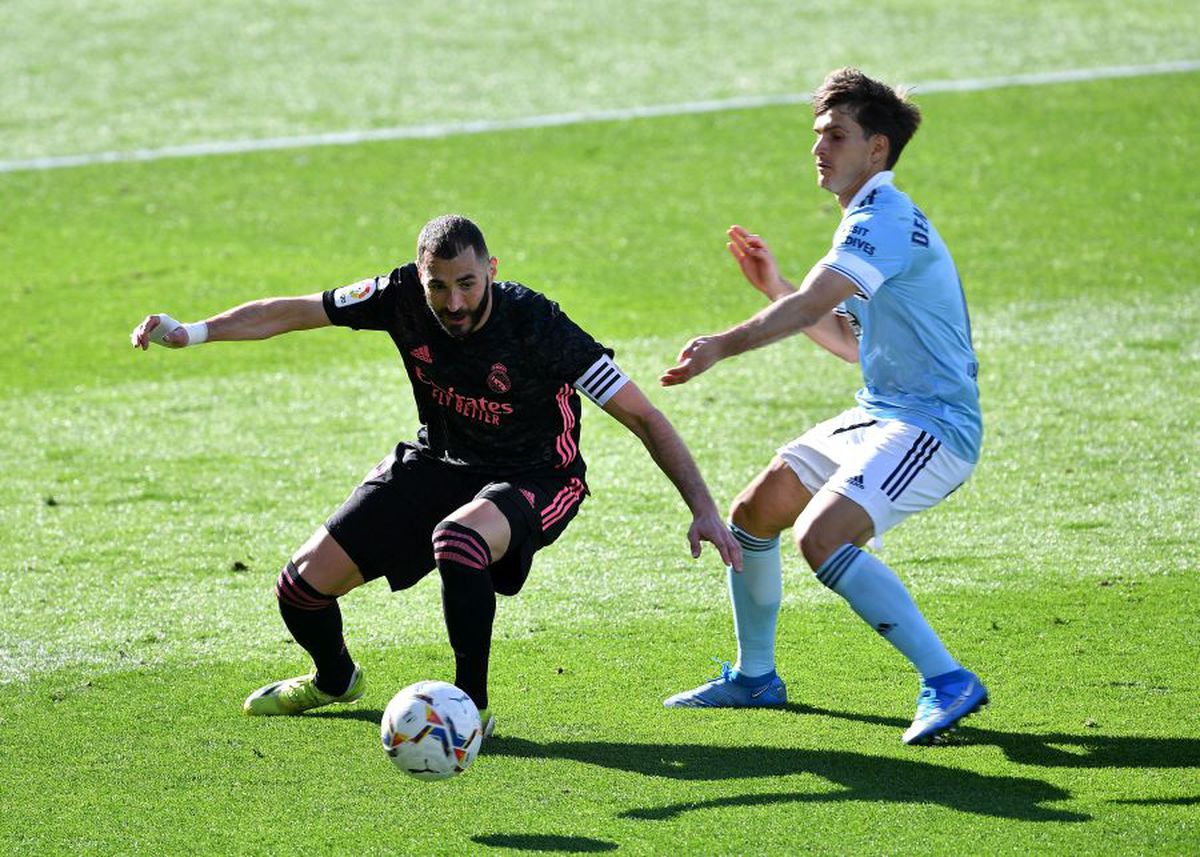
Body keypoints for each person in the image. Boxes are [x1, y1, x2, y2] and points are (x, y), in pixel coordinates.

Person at [131, 214, 741, 733]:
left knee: (460, 539)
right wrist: (193, 333)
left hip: (538, 476)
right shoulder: (397, 295)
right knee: (300, 591)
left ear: (492, 270)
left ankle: (470, 708)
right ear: (419, 277)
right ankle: (336, 679)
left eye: (468, 285)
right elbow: (293, 312)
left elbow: (644, 417)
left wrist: (703, 508)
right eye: (439, 287)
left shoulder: (539, 327)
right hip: (441, 460)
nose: (453, 303)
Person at [659, 68, 987, 745]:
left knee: (822, 536)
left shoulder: (883, 220)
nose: (820, 148)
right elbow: (846, 339)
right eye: (818, 135)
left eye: (836, 135)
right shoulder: (866, 223)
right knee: (755, 514)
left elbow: (812, 307)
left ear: (877, 148)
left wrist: (722, 344)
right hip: (883, 411)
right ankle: (756, 679)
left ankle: (947, 678)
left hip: (934, 425)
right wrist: (775, 284)